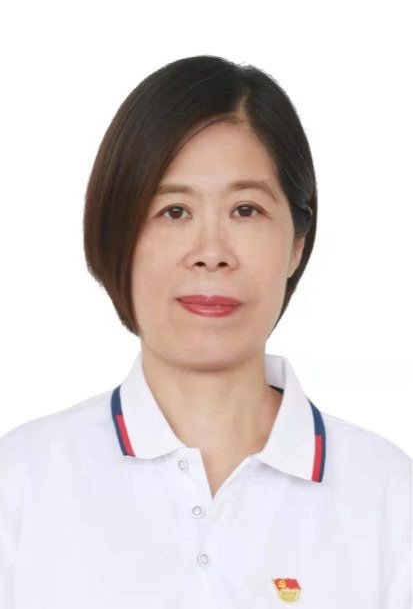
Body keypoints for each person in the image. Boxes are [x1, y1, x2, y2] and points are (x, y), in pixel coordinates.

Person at [0, 55, 411, 608]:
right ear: (117, 237)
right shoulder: (20, 483)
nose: (211, 253)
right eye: (174, 212)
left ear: (297, 243)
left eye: (246, 210)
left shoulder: (389, 498)